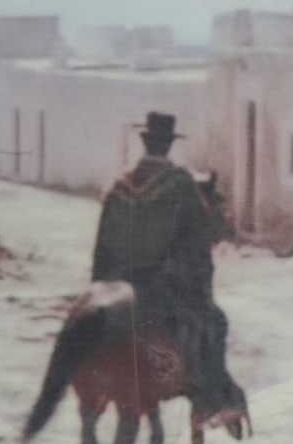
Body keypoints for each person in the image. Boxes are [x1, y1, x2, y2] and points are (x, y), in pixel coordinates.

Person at [91, 111, 244, 421]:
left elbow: (101, 247)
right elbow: (197, 244)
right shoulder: (181, 184)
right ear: (168, 145)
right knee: (216, 323)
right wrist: (202, 287)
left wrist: (99, 289)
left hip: (117, 284)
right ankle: (214, 400)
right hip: (163, 286)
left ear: (145, 143)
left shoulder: (118, 187)